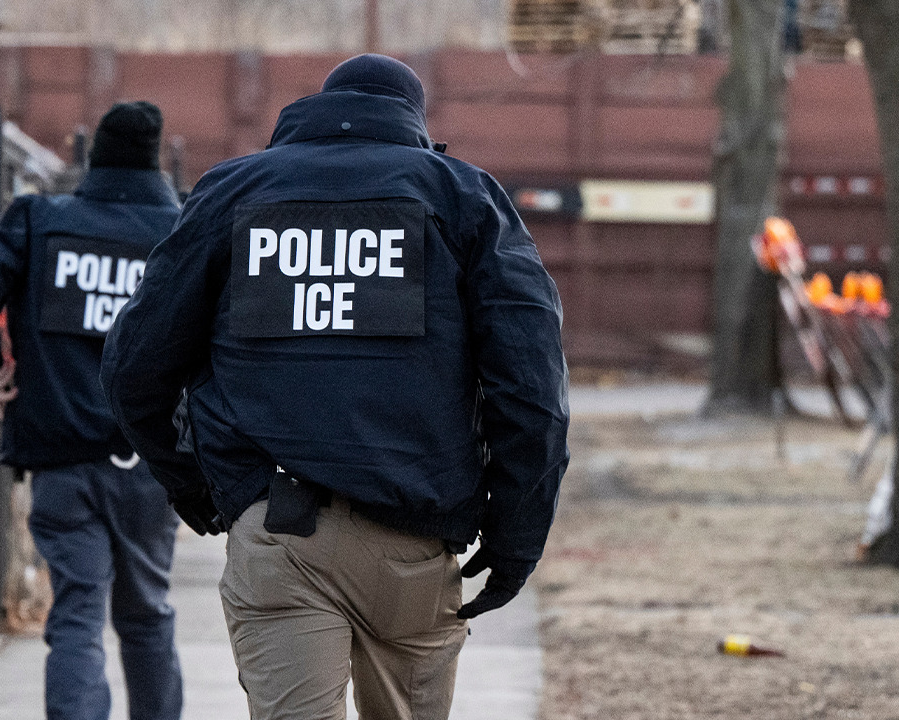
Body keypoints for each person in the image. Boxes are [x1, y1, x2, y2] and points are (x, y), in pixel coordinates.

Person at [101, 55, 569, 719]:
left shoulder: (232, 191)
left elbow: (135, 364)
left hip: (278, 528)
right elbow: (532, 385)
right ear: (412, 121)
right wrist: (516, 535)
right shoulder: (463, 196)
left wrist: (195, 485)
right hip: (413, 537)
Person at [0, 101, 184, 720]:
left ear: (95, 157)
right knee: (147, 614)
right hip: (150, 464)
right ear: (154, 160)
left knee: (76, 614)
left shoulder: (40, 220)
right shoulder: (181, 232)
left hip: (63, 458)